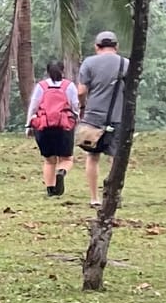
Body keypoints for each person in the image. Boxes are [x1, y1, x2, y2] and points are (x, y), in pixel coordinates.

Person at [76, 28, 129, 203]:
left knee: (92, 157)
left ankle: (94, 198)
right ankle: (114, 195)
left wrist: (83, 105)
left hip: (93, 116)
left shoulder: (89, 63)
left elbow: (81, 91)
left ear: (97, 46)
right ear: (117, 46)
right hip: (118, 116)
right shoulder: (126, 64)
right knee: (116, 158)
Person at [26, 57, 80, 196]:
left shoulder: (41, 86)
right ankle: (61, 172)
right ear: (62, 70)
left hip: (44, 127)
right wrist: (77, 118)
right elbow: (75, 105)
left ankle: (51, 190)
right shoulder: (69, 86)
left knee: (49, 160)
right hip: (64, 126)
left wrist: (28, 125)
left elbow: (33, 106)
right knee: (66, 159)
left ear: (47, 72)